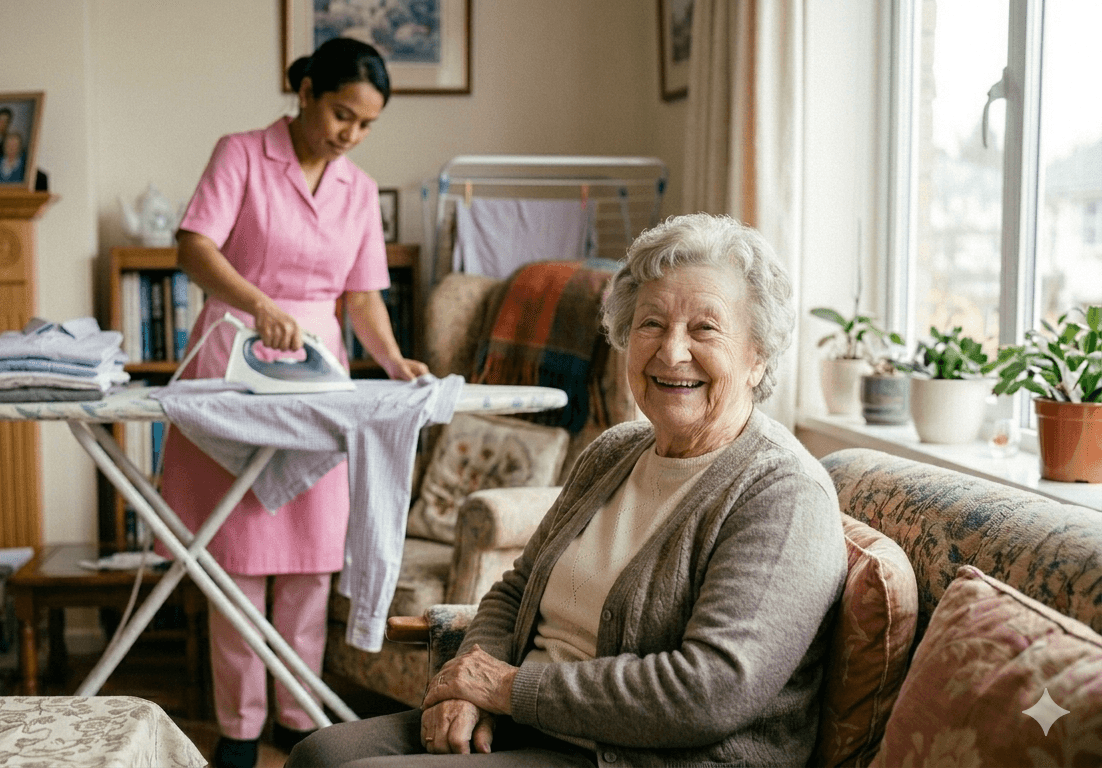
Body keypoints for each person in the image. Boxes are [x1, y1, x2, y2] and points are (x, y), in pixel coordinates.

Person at [288, 214, 849, 767]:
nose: (671, 351)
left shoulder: (783, 495)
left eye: (704, 329)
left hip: (631, 755)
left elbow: (710, 690)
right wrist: (466, 687)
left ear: (757, 356)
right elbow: (516, 589)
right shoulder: (614, 451)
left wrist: (505, 689)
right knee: (319, 753)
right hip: (525, 723)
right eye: (651, 324)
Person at [160, 37, 427, 768]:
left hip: (316, 376)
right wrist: (258, 303)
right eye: (342, 114)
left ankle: (302, 723)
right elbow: (194, 247)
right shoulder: (242, 154)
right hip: (236, 356)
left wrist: (392, 361)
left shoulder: (358, 189)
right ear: (306, 92)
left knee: (310, 564)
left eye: (366, 125)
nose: (351, 134)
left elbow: (362, 297)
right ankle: (240, 732)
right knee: (239, 567)